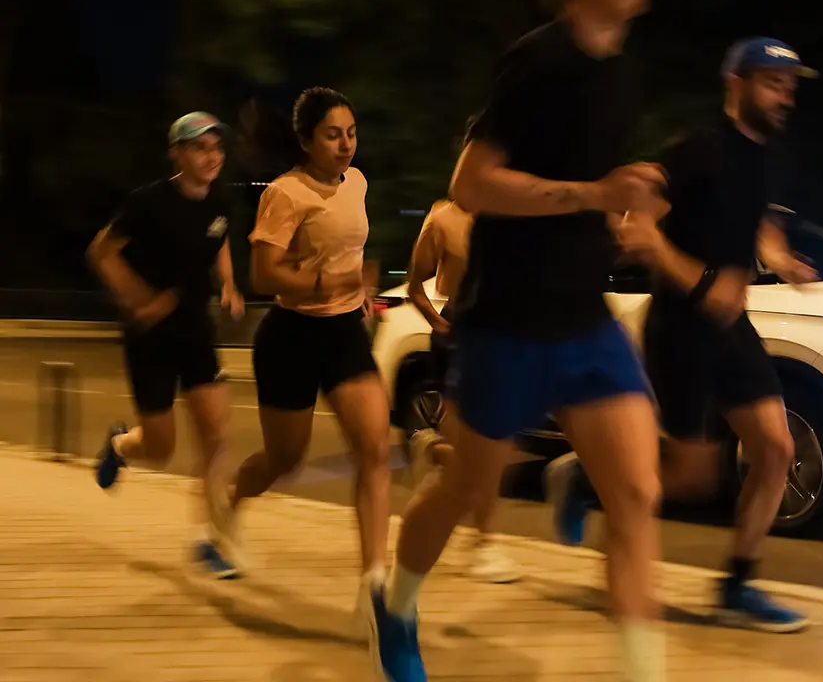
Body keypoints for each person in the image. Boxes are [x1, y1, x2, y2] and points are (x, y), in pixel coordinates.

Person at [370, 0, 682, 682]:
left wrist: (631, 206)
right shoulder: (537, 59)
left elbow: (596, 188)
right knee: (464, 487)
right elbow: (471, 183)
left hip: (586, 320)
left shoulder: (624, 72)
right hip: (505, 323)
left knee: (639, 495)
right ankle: (397, 602)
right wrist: (590, 193)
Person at [551, 38, 821, 633]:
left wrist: (781, 258)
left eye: (790, 87)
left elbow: (763, 225)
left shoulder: (772, 154)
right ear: (737, 84)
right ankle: (585, 480)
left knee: (776, 449)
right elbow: (636, 223)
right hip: (680, 326)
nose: (785, 96)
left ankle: (736, 587)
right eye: (773, 83)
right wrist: (701, 283)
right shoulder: (697, 148)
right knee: (692, 478)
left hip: (731, 325)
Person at [225, 88, 393, 637]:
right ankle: (231, 502)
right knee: (284, 460)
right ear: (305, 140)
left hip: (343, 332)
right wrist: (329, 280)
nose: (345, 144)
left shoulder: (359, 181)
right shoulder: (285, 194)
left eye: (351, 132)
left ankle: (375, 585)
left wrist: (358, 292)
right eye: (332, 134)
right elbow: (264, 276)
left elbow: (344, 251)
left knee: (373, 450)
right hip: (290, 337)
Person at [89, 111, 246, 578]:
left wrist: (229, 284)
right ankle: (120, 446)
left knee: (217, 434)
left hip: (195, 330)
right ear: (177, 154)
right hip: (150, 336)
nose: (211, 155)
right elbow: (100, 251)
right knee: (159, 448)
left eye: (217, 147)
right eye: (200, 147)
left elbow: (218, 239)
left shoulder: (218, 203)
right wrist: (140, 300)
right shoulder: (147, 203)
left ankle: (204, 541)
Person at [404, 194, 521, 584]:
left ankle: (428, 444)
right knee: (474, 447)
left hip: (506, 330)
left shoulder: (512, 209)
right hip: (462, 331)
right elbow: (415, 284)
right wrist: (440, 325)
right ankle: (485, 542)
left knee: (493, 443)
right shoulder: (443, 217)